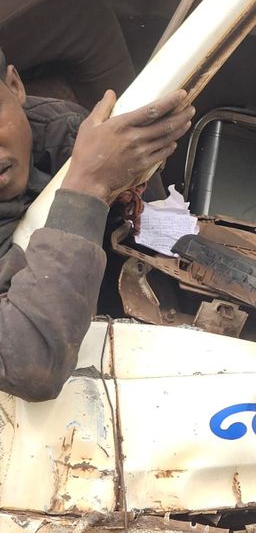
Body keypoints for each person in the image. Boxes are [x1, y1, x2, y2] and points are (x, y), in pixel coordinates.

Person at [0, 45, 193, 400]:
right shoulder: (86, 160)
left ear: (15, 86)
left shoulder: (71, 135)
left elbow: (151, 245)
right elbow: (28, 364)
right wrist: (86, 189)